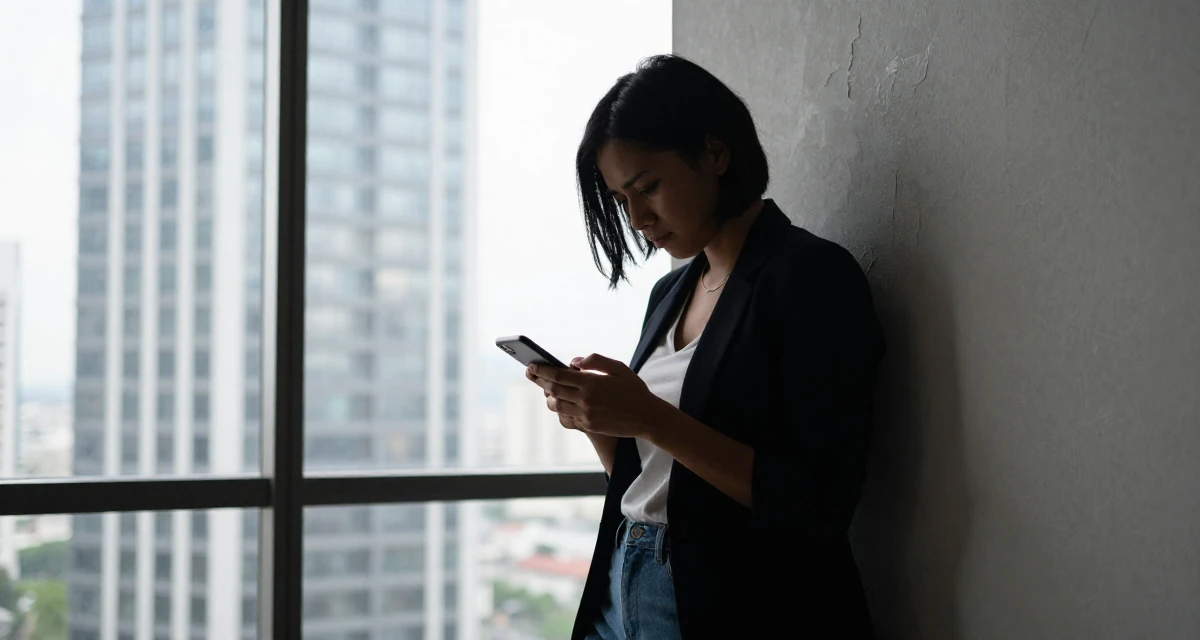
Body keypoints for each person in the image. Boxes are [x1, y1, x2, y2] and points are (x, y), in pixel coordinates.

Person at [525, 54, 885, 639]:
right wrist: (599, 419)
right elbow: (661, 480)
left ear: (716, 153)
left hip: (737, 599)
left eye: (648, 187)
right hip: (626, 571)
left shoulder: (810, 275)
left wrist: (649, 416)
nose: (638, 217)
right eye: (622, 200)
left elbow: (819, 502)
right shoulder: (672, 291)